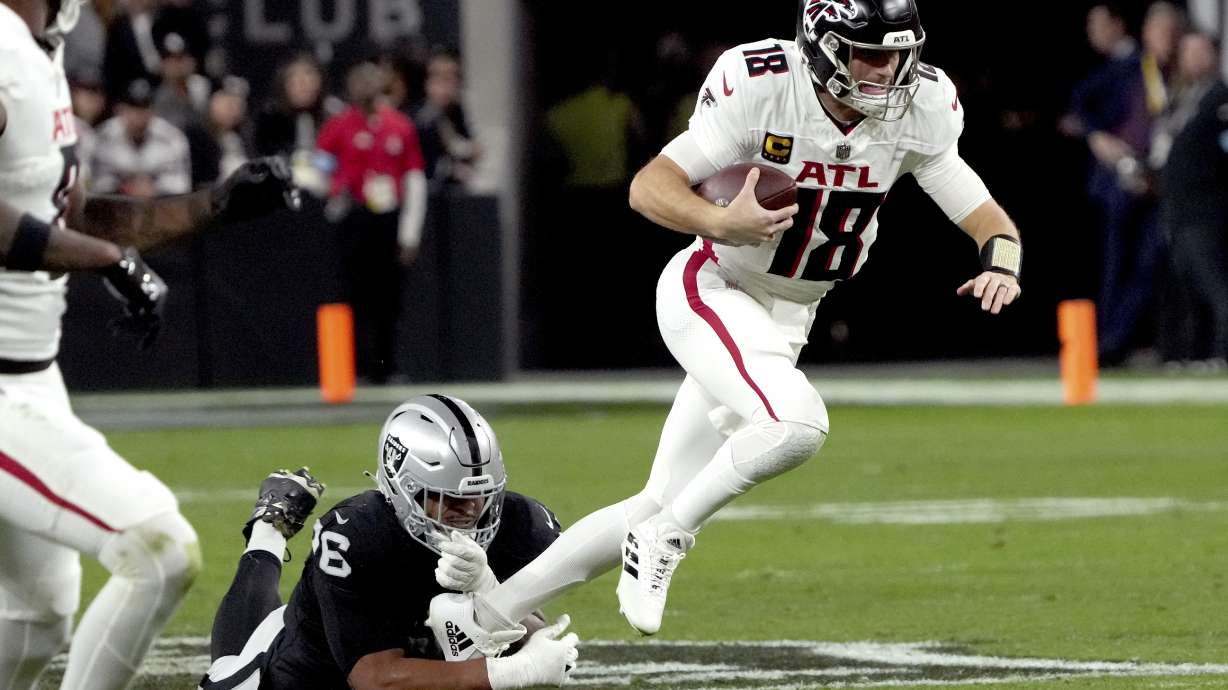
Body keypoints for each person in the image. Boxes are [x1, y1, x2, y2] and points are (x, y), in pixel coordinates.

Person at [428, 0, 1022, 655]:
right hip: (714, 286)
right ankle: (668, 540)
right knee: (796, 425)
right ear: (825, 48)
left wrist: (1003, 263)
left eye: (898, 54)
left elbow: (987, 218)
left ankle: (483, 615)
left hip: (790, 315)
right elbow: (650, 186)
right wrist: (720, 223)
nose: (888, 70)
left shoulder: (920, 107)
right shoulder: (765, 83)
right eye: (870, 53)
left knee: (656, 498)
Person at [0, 1, 300, 687]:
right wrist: (105, 260)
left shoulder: (35, 51)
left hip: (30, 377)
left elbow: (66, 217)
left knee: (37, 616)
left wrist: (213, 204)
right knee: (158, 551)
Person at [199, 395, 579, 690]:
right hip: (310, 678)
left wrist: (533, 638)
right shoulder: (356, 535)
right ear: (403, 489)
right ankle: (269, 527)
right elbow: (375, 679)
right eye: (449, 498)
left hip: (412, 665)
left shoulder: (521, 524)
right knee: (227, 674)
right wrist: (515, 670)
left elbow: (512, 614)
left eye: (482, 495)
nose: (471, 511)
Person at [316, 55, 427, 384]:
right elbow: (318, 167)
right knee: (354, 295)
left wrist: (409, 233)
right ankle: (356, 367)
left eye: (371, 80)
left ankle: (386, 366)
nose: (365, 87)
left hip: (388, 218)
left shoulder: (400, 126)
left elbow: (414, 179)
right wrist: (332, 193)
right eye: (358, 81)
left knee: (389, 298)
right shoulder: (339, 125)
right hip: (354, 217)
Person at [1154, 32, 1228, 368]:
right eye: (1187, 51)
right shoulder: (1182, 97)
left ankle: (1221, 353)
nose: (1193, 58)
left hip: (1206, 210)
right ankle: (1188, 355)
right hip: (1178, 211)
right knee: (1184, 288)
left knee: (1216, 284)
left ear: (1214, 56)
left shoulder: (1220, 98)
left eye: (1201, 51)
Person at [92, 78, 192, 196]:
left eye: (144, 108)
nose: (138, 116)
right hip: (116, 208)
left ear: (153, 110)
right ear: (119, 109)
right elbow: (97, 186)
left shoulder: (172, 138)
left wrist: (154, 189)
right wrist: (125, 188)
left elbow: (181, 187)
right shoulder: (103, 136)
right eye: (132, 108)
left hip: (160, 207)